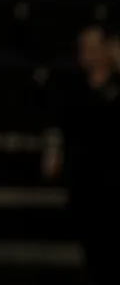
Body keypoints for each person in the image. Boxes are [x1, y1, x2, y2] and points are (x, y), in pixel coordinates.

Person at [44, 24, 120, 285]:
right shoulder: (72, 84)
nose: (88, 54)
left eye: (94, 48)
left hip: (113, 170)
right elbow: (60, 125)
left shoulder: (117, 83)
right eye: (84, 49)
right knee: (90, 236)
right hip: (83, 170)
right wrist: (53, 154)